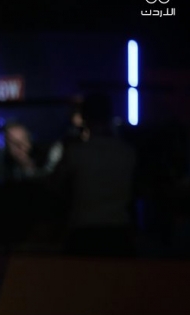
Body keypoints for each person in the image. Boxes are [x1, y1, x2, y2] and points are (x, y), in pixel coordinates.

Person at [48, 93, 137, 257]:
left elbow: (55, 187)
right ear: (109, 116)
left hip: (83, 233)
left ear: (85, 118)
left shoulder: (75, 153)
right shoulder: (127, 152)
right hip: (119, 234)